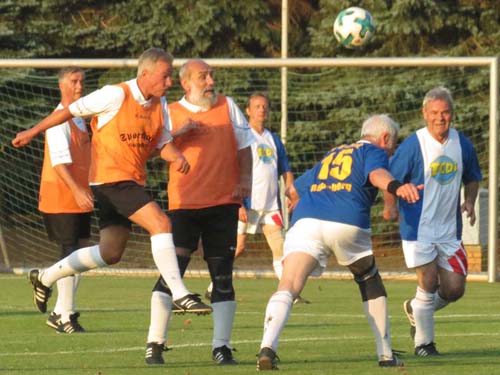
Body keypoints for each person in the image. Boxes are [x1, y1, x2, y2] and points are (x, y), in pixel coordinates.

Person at [12, 48, 211, 319]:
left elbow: (162, 142)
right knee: (161, 223)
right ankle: (179, 294)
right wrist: (33, 131)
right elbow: (68, 112)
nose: (169, 83)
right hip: (110, 180)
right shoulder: (115, 94)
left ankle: (45, 277)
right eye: (165, 77)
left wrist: (176, 156)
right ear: (145, 73)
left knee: (111, 252)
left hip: (129, 182)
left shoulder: (159, 104)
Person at [256, 114, 423, 371]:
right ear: (385, 138)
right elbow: (377, 174)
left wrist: (298, 204)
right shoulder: (374, 151)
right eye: (393, 144)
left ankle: (267, 348)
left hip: (306, 221)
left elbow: (294, 191)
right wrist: (396, 186)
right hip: (345, 221)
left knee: (288, 284)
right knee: (369, 279)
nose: (392, 151)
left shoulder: (333, 153)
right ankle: (386, 355)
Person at [144, 59, 254, 366]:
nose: (210, 81)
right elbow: (153, 148)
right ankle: (155, 343)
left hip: (223, 204)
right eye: (203, 76)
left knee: (222, 276)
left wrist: (244, 181)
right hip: (184, 207)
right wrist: (179, 133)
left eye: (211, 76)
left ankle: (222, 347)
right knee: (171, 274)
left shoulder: (228, 106)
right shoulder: (169, 111)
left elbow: (245, 147)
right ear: (186, 83)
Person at [383, 87, 482, 357]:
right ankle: (424, 344)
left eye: (445, 112)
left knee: (454, 288)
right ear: (425, 114)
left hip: (450, 231)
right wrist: (390, 206)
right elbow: (390, 179)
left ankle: (416, 308)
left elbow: (472, 177)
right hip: (418, 229)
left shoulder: (462, 144)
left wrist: (470, 201)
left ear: (452, 114)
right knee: (427, 282)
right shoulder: (413, 145)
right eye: (435, 113)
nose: (440, 118)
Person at [205, 92, 308, 303]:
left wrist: (290, 187)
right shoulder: (243, 139)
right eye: (257, 106)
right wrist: (238, 204)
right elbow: (232, 171)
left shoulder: (273, 139)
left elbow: (285, 169)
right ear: (248, 111)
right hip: (248, 204)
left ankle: (289, 292)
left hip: (271, 206)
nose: (262, 110)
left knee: (280, 248)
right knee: (238, 247)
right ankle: (213, 284)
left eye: (265, 106)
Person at [39, 67, 93, 333]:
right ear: (62, 85)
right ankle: (65, 316)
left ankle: (60, 311)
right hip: (61, 196)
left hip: (81, 196)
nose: (80, 85)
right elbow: (59, 163)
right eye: (74, 81)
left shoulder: (82, 119)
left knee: (83, 254)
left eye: (82, 81)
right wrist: (77, 190)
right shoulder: (58, 120)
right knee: (70, 253)